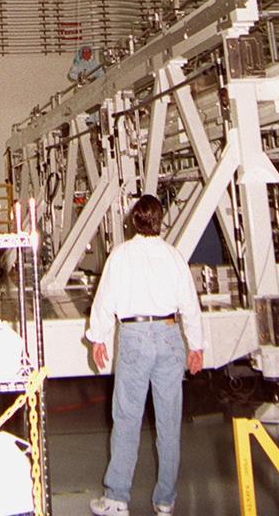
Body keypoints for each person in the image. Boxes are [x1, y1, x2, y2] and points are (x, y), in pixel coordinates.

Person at [86, 194, 203, 516]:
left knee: (126, 419)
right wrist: (196, 346)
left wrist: (99, 338)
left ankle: (117, 499)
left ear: (133, 221)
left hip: (135, 337)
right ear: (160, 220)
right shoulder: (173, 256)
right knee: (168, 422)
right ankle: (165, 500)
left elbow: (104, 300)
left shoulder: (121, 256)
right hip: (169, 337)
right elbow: (190, 304)